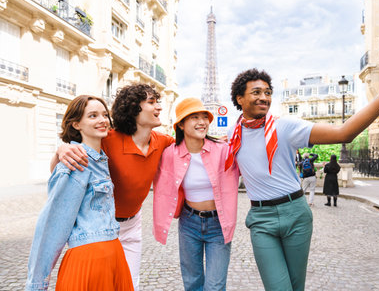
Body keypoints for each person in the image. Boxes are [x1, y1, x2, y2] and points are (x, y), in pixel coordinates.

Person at [225, 48, 379, 290]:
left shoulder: (284, 127)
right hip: (261, 220)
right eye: (256, 92)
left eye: (268, 92)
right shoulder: (232, 135)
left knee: (296, 287)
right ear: (239, 98)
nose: (264, 97)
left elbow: (344, 132)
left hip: (295, 213)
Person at [51, 84, 174, 290]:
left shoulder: (163, 141)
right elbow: (67, 161)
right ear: (134, 108)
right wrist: (60, 151)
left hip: (133, 223)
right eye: (152, 102)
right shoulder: (108, 139)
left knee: (130, 285)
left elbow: (190, 146)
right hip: (101, 227)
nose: (159, 107)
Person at [26, 95, 133, 290]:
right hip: (89, 259)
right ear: (76, 124)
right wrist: (36, 284)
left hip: (114, 253)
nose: (102, 120)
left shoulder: (101, 158)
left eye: (104, 115)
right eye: (92, 116)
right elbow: (52, 225)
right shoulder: (76, 163)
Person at [153, 98, 240, 290]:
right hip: (188, 222)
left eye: (204, 117)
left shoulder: (224, 151)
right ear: (181, 125)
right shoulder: (169, 154)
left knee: (215, 285)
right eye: (194, 117)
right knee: (192, 282)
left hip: (219, 223)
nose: (202, 122)